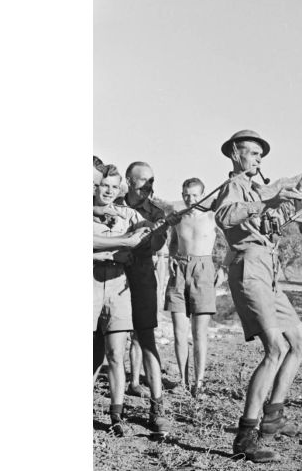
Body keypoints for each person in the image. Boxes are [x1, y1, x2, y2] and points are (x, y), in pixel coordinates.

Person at [214, 130, 302, 463]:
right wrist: (269, 201)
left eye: (261, 155)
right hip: (249, 268)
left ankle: (273, 416)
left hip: (268, 270)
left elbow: (274, 220)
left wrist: (301, 187)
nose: (258, 160)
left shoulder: (256, 190)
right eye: (253, 153)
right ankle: (245, 437)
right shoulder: (232, 187)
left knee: (299, 341)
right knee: (276, 348)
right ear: (235, 153)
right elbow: (224, 216)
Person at [93, 164, 152, 437]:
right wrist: (119, 246)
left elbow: (147, 228)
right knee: (91, 355)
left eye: (115, 187)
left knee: (117, 353)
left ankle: (116, 414)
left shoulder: (126, 213)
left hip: (118, 287)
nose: (108, 190)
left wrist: (144, 229)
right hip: (90, 285)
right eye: (105, 185)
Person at [118, 161, 172, 436]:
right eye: (144, 181)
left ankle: (156, 407)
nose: (149, 187)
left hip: (141, 278)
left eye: (153, 182)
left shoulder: (158, 213)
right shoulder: (111, 205)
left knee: (147, 341)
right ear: (129, 180)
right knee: (100, 343)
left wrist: (158, 230)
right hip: (111, 275)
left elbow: (154, 247)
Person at [164, 177, 225, 397]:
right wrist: (171, 256)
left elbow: (233, 242)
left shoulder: (212, 216)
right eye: (186, 195)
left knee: (199, 333)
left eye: (195, 195)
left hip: (204, 269)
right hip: (180, 270)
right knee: (179, 332)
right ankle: (182, 381)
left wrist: (223, 268)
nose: (190, 199)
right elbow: (173, 240)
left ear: (203, 194)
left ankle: (199, 383)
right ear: (182, 195)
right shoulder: (178, 218)